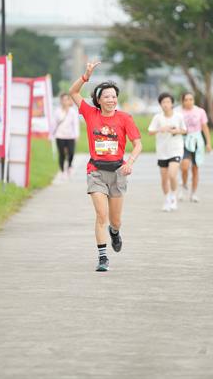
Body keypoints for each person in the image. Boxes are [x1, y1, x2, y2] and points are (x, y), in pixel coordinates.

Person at [69, 61, 142, 272]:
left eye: (114, 96)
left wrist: (130, 162)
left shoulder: (124, 118)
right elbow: (73, 92)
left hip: (118, 172)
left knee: (115, 220)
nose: (111, 99)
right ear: (98, 100)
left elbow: (138, 144)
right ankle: (102, 258)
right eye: (107, 96)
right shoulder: (91, 114)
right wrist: (85, 76)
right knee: (101, 215)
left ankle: (115, 232)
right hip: (96, 172)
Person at [148, 92, 187, 212]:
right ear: (160, 104)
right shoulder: (157, 117)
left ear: (172, 103)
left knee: (172, 174)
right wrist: (161, 129)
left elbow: (184, 130)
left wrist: (175, 131)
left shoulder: (178, 116)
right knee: (164, 178)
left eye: (168, 102)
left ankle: (173, 197)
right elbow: (150, 131)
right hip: (162, 151)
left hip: (176, 149)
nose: (166, 104)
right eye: (163, 102)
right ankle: (166, 199)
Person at [178, 92, 212, 202]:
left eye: (191, 99)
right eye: (186, 99)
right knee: (184, 166)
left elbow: (205, 127)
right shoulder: (178, 112)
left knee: (195, 169)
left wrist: (208, 143)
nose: (189, 102)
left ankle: (194, 193)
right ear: (183, 101)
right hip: (184, 141)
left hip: (197, 141)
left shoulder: (200, 111)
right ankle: (183, 185)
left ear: (194, 100)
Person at [53, 92, 80, 180]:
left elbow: (75, 124)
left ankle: (69, 166)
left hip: (70, 136)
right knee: (62, 154)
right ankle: (62, 171)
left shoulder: (73, 112)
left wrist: (76, 135)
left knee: (71, 153)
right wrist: (52, 134)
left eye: (67, 99)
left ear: (69, 101)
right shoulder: (57, 111)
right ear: (61, 101)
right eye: (63, 100)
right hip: (60, 135)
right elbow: (54, 123)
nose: (65, 101)